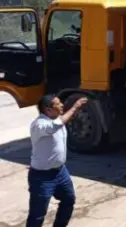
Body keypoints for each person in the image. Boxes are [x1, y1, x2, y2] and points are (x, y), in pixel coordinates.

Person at [26, 94, 88, 227]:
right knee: (37, 214)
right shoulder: (39, 124)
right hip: (42, 177)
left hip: (60, 172)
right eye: (58, 104)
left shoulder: (57, 119)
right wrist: (74, 107)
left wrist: (76, 110)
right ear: (48, 109)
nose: (62, 105)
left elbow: (61, 121)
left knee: (68, 200)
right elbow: (54, 126)